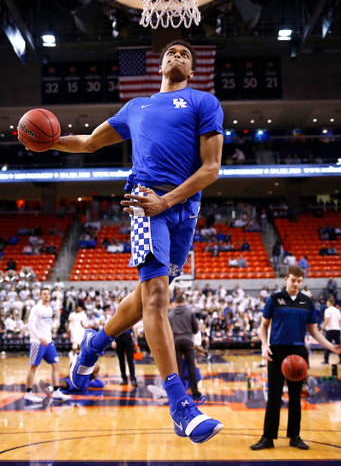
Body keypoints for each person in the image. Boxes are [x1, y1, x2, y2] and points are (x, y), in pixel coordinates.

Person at [44, 40, 224, 443]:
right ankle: (181, 406)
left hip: (183, 208)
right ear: (160, 64)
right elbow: (90, 142)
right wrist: (49, 141)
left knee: (148, 297)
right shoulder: (135, 107)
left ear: (192, 70)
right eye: (171, 52)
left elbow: (212, 168)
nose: (177, 55)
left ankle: (95, 342)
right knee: (157, 297)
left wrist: (170, 201)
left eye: (185, 54)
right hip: (144, 202)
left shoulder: (203, 102)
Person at [250, 266, 341, 451]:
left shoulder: (307, 302)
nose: (296, 284)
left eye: (299, 281)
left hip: (298, 352)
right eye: (293, 280)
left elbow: (314, 331)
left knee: (295, 396)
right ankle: (268, 437)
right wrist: (265, 346)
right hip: (276, 351)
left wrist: (331, 346)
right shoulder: (274, 299)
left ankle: (295, 436)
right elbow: (263, 326)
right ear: (286, 280)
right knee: (274, 396)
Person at [24, 287, 71, 403]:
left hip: (49, 342)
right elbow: (30, 325)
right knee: (33, 367)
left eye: (48, 294)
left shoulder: (49, 309)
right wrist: (40, 338)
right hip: (37, 342)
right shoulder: (36, 309)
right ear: (40, 296)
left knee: (56, 365)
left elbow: (46, 325)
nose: (46, 296)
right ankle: (28, 393)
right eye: (44, 294)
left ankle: (56, 391)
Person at [168, 294, 201, 400]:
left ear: (176, 303)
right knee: (191, 366)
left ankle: (181, 393)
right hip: (187, 340)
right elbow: (196, 329)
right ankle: (195, 392)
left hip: (176, 341)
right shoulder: (190, 313)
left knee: (179, 367)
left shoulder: (170, 315)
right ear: (183, 302)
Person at [321, 297, 341, 365]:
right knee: (339, 346)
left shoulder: (327, 310)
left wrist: (322, 329)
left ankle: (326, 361)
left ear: (329, 303)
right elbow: (340, 321)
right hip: (337, 329)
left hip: (330, 330)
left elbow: (327, 320)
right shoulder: (337, 310)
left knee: (328, 345)